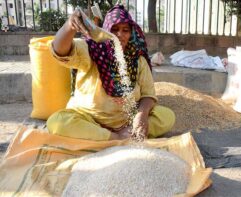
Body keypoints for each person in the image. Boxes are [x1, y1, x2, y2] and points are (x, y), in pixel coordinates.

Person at [47, 4, 175, 141]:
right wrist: (69, 26)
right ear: (106, 31)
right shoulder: (92, 50)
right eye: (114, 29)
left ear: (131, 33)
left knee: (167, 116)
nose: (120, 34)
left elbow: (148, 94)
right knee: (57, 122)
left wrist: (141, 116)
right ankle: (115, 137)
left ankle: (120, 134)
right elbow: (60, 51)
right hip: (89, 119)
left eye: (125, 30)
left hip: (127, 121)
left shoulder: (137, 59)